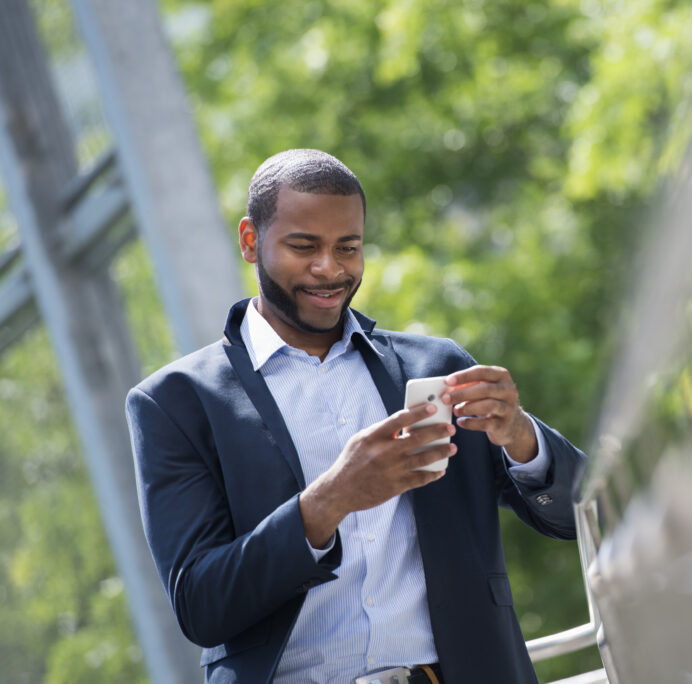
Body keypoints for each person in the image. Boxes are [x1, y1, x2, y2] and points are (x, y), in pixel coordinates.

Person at [125, 148, 587, 684]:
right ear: (251, 241)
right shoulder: (175, 403)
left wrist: (522, 437)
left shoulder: (436, 367)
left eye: (348, 247)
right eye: (304, 247)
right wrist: (328, 502)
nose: (330, 269)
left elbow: (578, 513)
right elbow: (201, 606)